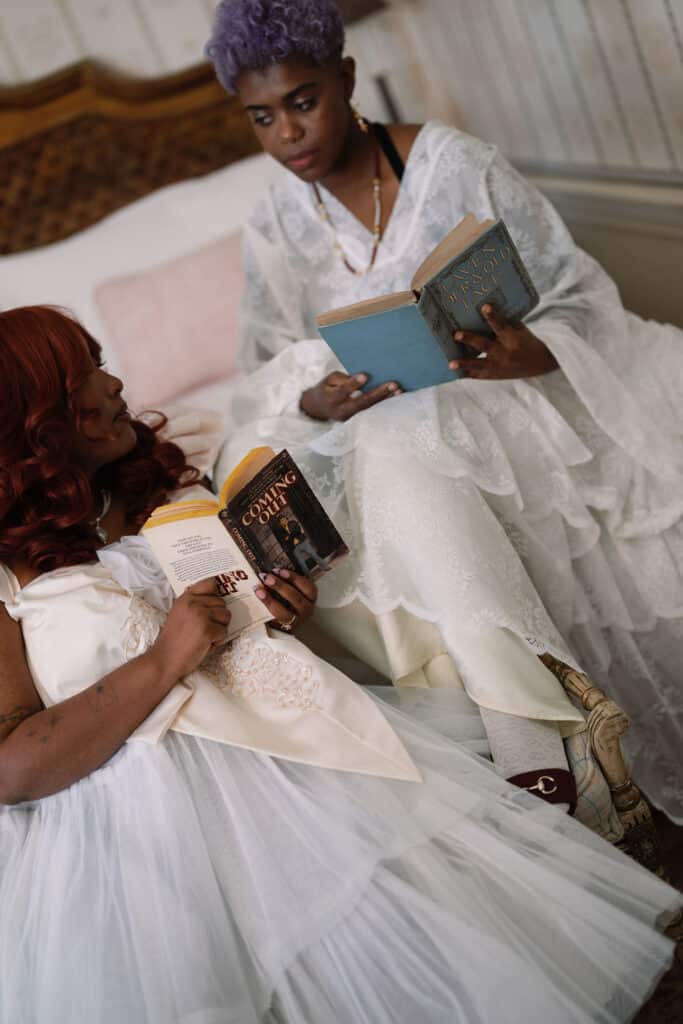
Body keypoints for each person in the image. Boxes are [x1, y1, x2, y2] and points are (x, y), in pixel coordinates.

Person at [0, 304, 679, 1023]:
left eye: (103, 362)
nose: (113, 384)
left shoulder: (161, 489)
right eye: (85, 376)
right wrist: (166, 658)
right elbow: (11, 768)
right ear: (36, 420)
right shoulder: (8, 568)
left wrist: (279, 609)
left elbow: (245, 618)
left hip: (291, 745)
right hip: (139, 817)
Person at [205, 0, 683, 824]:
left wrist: (532, 352)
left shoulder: (456, 165)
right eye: (262, 117)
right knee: (281, 449)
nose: (287, 133)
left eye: (303, 101)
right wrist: (313, 398)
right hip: (385, 423)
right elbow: (264, 365)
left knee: (403, 439)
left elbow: (576, 296)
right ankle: (530, 727)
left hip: (509, 397)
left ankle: (528, 735)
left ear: (345, 78)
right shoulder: (274, 218)